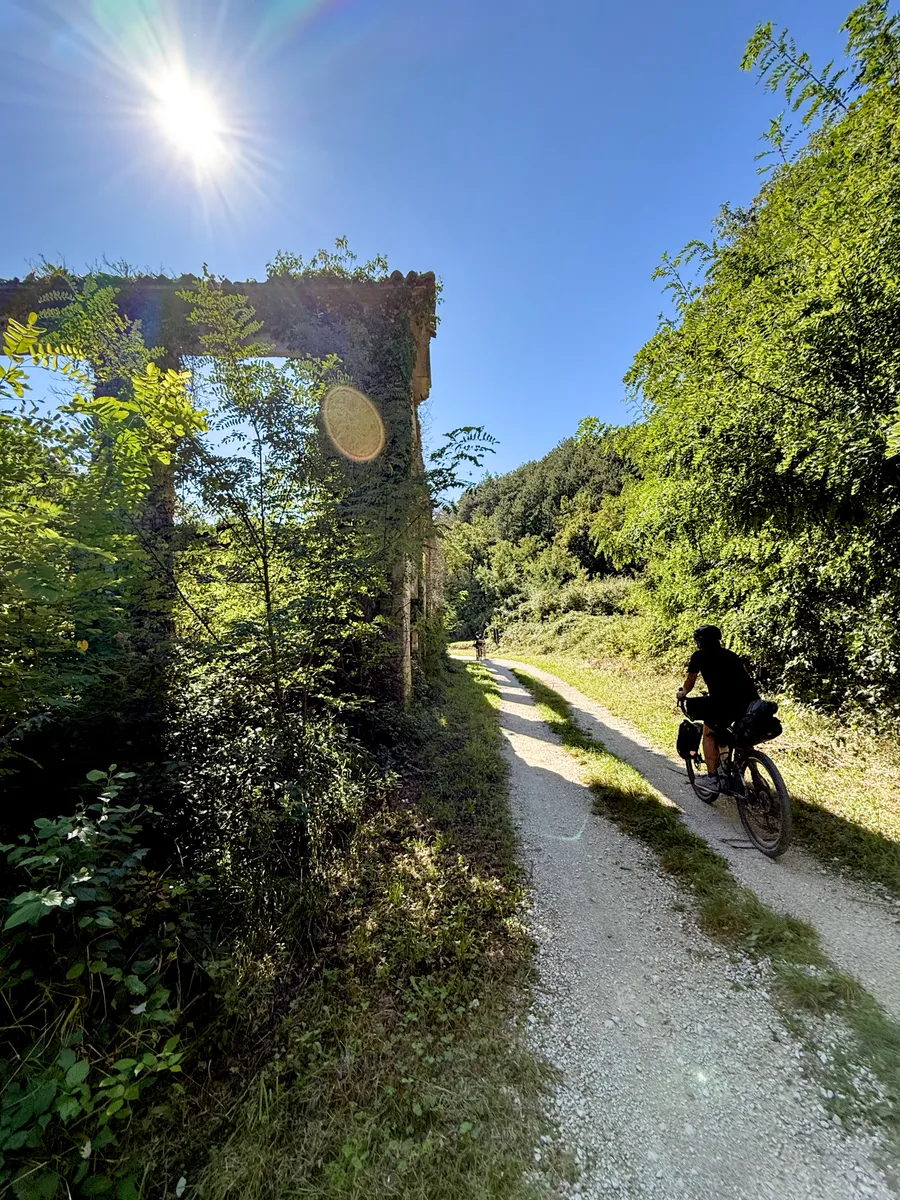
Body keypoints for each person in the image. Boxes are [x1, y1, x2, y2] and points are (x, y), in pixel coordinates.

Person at [677, 624, 759, 797]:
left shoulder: (699, 656)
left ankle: (713, 778)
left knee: (709, 733)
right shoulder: (731, 655)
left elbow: (690, 681)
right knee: (741, 737)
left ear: (699, 642)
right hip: (750, 702)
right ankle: (756, 776)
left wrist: (682, 693)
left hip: (724, 703)